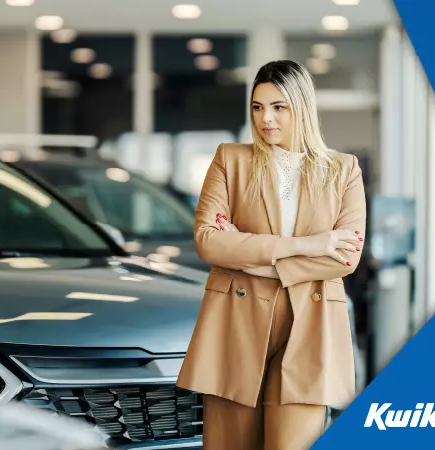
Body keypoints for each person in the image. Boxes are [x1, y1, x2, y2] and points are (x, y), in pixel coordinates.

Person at [176, 60, 366, 450]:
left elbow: (345, 257)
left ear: (302, 106)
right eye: (258, 107)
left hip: (309, 326)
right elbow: (209, 240)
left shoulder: (342, 169)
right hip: (235, 322)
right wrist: (307, 245)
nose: (266, 119)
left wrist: (246, 252)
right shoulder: (231, 159)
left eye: (279, 107)